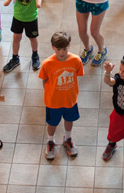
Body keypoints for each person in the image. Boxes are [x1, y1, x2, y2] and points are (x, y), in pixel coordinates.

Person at [39, 31, 84, 160]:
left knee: (69, 120)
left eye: (64, 49)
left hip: (70, 99)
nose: (61, 53)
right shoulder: (47, 64)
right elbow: (44, 81)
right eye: (58, 49)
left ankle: (68, 139)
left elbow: (78, 74)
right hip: (53, 101)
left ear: (69, 45)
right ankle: (50, 141)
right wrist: (52, 94)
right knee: (52, 123)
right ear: (53, 47)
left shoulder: (76, 60)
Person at [2, 0, 42, 73]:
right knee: (16, 38)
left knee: (32, 38)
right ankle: (15, 58)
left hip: (31, 18)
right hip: (18, 17)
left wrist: (38, 2)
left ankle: (35, 55)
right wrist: (7, 1)